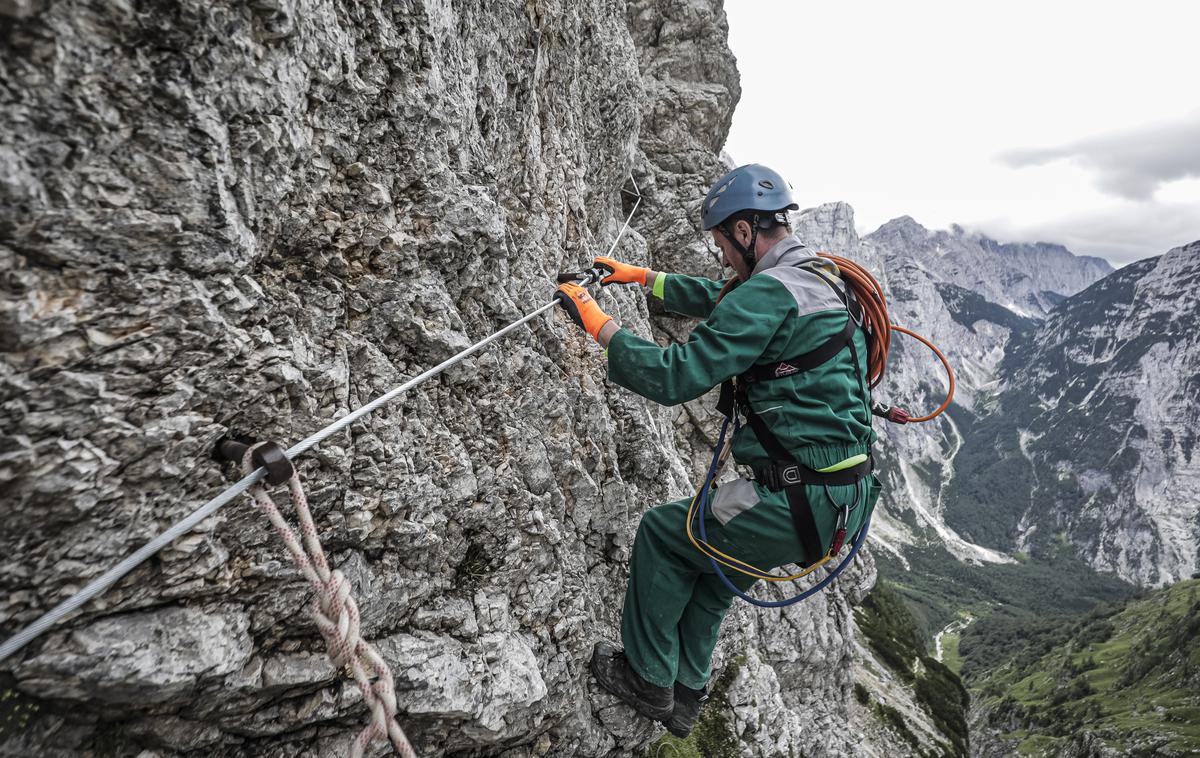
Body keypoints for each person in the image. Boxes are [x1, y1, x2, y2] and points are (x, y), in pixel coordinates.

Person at [554, 164, 880, 738]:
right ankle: (686, 698)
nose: (723, 255)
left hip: (796, 496)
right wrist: (643, 278)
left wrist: (596, 322)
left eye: (724, 243)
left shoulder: (772, 290)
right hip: (839, 495)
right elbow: (727, 301)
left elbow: (675, 376)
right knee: (716, 572)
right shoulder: (819, 278)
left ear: (747, 231)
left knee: (662, 534)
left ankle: (647, 678)